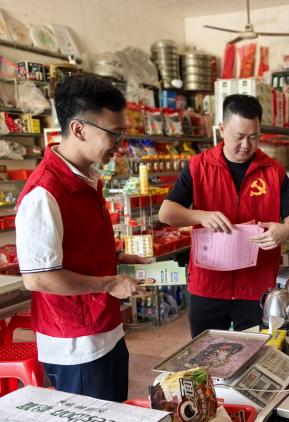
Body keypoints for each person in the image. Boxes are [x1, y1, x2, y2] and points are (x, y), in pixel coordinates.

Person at [15, 75, 152, 402]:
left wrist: (115, 261)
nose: (120, 142)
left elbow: (78, 249)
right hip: (75, 344)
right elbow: (39, 278)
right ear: (78, 129)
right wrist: (108, 283)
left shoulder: (85, 179)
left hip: (105, 329)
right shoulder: (44, 193)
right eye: (113, 133)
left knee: (115, 410)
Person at [159, 94, 289, 337]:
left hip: (256, 287)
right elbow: (166, 213)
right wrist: (200, 216)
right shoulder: (199, 166)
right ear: (222, 129)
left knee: (257, 353)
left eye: (253, 137)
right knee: (206, 353)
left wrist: (286, 230)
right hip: (208, 286)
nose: (246, 145)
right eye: (239, 137)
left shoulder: (273, 171)